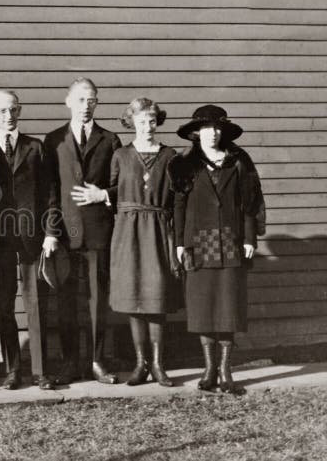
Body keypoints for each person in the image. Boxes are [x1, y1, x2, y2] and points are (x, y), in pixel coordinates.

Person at [169, 105, 265, 394]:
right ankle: (209, 369)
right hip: (198, 245)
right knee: (203, 308)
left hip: (232, 243)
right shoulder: (184, 164)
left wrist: (249, 238)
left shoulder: (239, 161)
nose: (213, 134)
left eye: (218, 129)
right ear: (197, 133)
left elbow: (249, 202)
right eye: (207, 129)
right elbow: (179, 206)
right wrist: (179, 243)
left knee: (228, 307)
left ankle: (226, 371)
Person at [43, 77, 122, 385]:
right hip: (64, 232)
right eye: (80, 100)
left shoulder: (110, 139)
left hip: (99, 233)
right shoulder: (53, 141)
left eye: (92, 100)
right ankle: (69, 363)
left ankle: (97, 360)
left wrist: (103, 195)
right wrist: (50, 230)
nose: (86, 106)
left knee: (97, 299)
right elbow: (49, 189)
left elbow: (120, 184)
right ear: (68, 102)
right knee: (65, 300)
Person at [0, 90, 58, 391]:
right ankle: (12, 369)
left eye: (13, 110)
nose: (8, 115)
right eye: (1, 111)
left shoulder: (35, 148)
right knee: (3, 306)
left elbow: (51, 194)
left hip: (33, 238)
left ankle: (40, 371)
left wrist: (51, 232)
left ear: (20, 111)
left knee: (36, 304)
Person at [109, 98, 181, 387]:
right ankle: (140, 365)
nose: (147, 127)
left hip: (158, 229)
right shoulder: (121, 155)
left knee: (156, 296)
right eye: (141, 121)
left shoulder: (171, 156)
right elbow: (113, 192)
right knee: (133, 296)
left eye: (152, 121)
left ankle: (158, 364)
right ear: (132, 123)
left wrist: (177, 240)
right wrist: (101, 195)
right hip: (127, 231)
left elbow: (177, 199)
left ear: (157, 122)